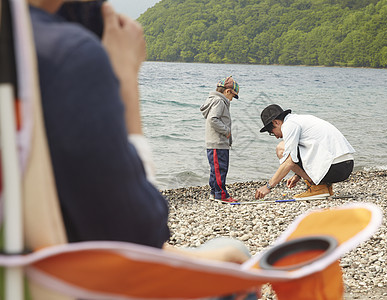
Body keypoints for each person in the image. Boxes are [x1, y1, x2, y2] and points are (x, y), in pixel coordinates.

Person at [29, 0, 254, 269]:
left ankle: (218, 193)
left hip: (42, 257)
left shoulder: (23, 43)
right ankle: (219, 194)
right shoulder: (65, 51)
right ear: (227, 91)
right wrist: (125, 76)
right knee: (236, 250)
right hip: (73, 272)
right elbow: (141, 231)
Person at [255, 104, 355, 200]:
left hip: (334, 168)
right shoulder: (302, 119)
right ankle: (325, 187)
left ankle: (317, 187)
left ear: (276, 122)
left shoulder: (289, 125)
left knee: (281, 148)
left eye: (272, 133)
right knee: (292, 149)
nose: (276, 136)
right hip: (346, 165)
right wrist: (298, 175)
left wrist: (268, 186)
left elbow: (289, 161)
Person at [200, 76, 240, 203]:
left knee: (216, 169)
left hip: (217, 142)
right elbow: (213, 119)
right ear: (227, 92)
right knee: (220, 169)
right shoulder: (219, 101)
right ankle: (221, 194)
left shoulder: (216, 100)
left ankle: (214, 192)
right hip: (218, 142)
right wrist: (226, 131)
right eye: (233, 96)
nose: (232, 99)